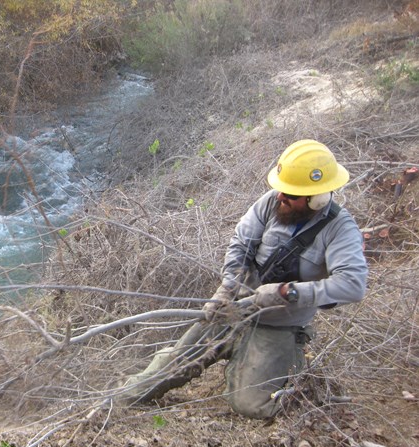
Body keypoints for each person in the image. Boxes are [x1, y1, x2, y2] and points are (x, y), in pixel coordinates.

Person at [124, 139, 368, 418]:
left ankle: (275, 367)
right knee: (164, 373)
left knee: (251, 405)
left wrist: (288, 292)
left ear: (317, 198)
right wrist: (228, 289)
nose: (280, 198)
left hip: (277, 327)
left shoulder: (341, 230)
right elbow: (240, 245)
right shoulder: (270, 203)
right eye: (280, 190)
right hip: (235, 308)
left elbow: (353, 285)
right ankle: (111, 401)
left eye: (290, 195)